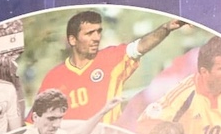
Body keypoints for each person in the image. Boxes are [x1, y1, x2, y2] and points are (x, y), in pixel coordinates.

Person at [38, 10, 185, 123]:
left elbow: (141, 46)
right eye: (89, 34)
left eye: (98, 32)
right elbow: (35, 123)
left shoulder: (111, 58)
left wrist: (166, 28)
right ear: (72, 40)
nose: (96, 38)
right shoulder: (53, 78)